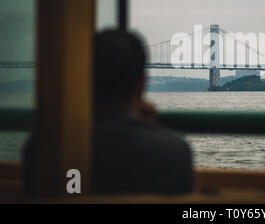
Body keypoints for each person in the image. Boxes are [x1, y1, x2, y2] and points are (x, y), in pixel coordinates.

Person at [23, 29, 193, 196]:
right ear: (142, 85)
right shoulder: (175, 153)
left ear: (85, 80)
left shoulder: (41, 149)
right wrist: (150, 131)